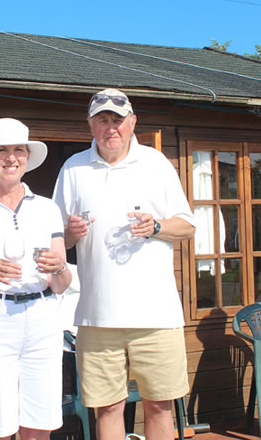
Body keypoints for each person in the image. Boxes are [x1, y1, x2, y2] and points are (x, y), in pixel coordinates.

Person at [52, 88, 196, 440]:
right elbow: (56, 241)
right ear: (90, 125)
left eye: (117, 120)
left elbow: (188, 225)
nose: (110, 127)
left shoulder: (156, 163)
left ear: (132, 123)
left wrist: (157, 227)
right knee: (108, 408)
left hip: (157, 316)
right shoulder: (74, 168)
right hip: (97, 317)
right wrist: (69, 233)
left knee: (160, 406)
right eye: (102, 120)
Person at [0, 117, 72, 440]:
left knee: (39, 425)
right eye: (2, 150)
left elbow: (62, 284)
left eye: (19, 149)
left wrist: (59, 267)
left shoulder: (47, 209)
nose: (11, 157)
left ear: (28, 157)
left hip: (43, 319)